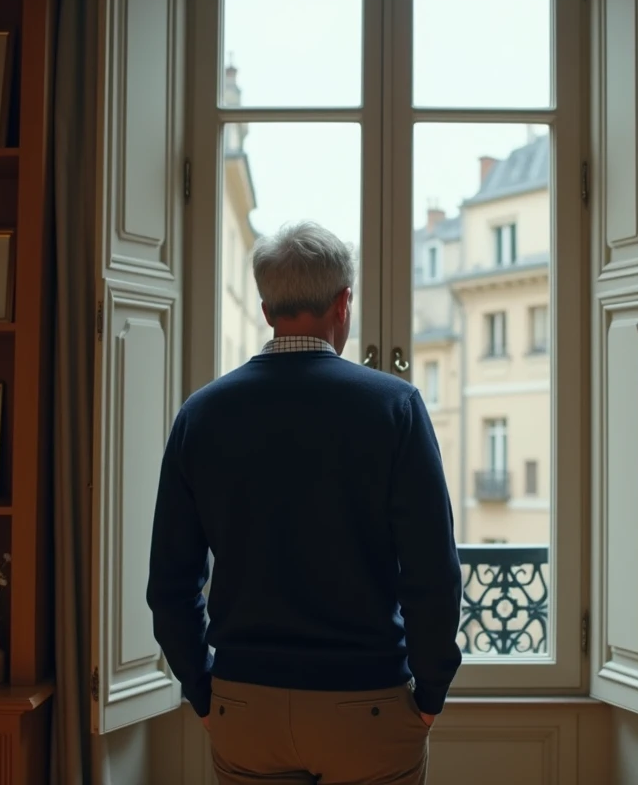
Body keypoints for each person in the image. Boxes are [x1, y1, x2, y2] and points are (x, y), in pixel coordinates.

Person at [147, 220, 463, 785]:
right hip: (367, 707)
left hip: (245, 706)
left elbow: (170, 585)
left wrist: (203, 691)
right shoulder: (396, 407)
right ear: (344, 301)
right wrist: (431, 689)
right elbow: (432, 573)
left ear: (267, 309)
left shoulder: (202, 414)